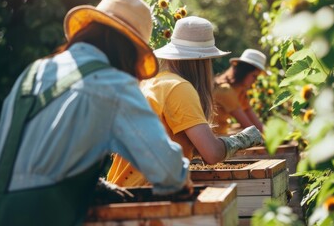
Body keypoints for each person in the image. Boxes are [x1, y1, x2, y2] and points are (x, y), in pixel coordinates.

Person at [0, 0, 192, 226]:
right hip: (43, 215)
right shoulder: (114, 84)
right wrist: (182, 179)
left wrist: (96, 183)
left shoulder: (35, 71)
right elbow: (168, 172)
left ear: (86, 32)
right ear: (130, 51)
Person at [107, 16, 264, 187]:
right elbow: (212, 153)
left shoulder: (153, 82)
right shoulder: (179, 88)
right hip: (145, 192)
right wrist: (242, 140)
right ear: (203, 61)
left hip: (123, 188)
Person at [212, 49, 267, 135]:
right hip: (213, 139)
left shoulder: (240, 91)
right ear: (243, 71)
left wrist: (272, 136)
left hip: (222, 134)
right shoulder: (225, 90)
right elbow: (248, 127)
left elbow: (253, 118)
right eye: (254, 76)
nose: (255, 80)